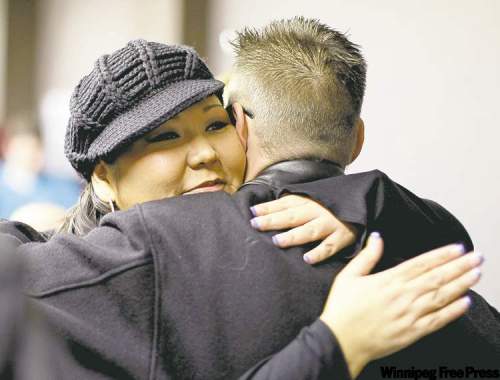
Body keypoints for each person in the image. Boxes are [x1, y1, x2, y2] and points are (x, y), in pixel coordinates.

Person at [2, 31, 496, 378]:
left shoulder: (301, 224)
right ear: (104, 176)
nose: (204, 154)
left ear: (244, 129)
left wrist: (372, 202)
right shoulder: (96, 275)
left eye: (216, 124)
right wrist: (332, 346)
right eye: (165, 137)